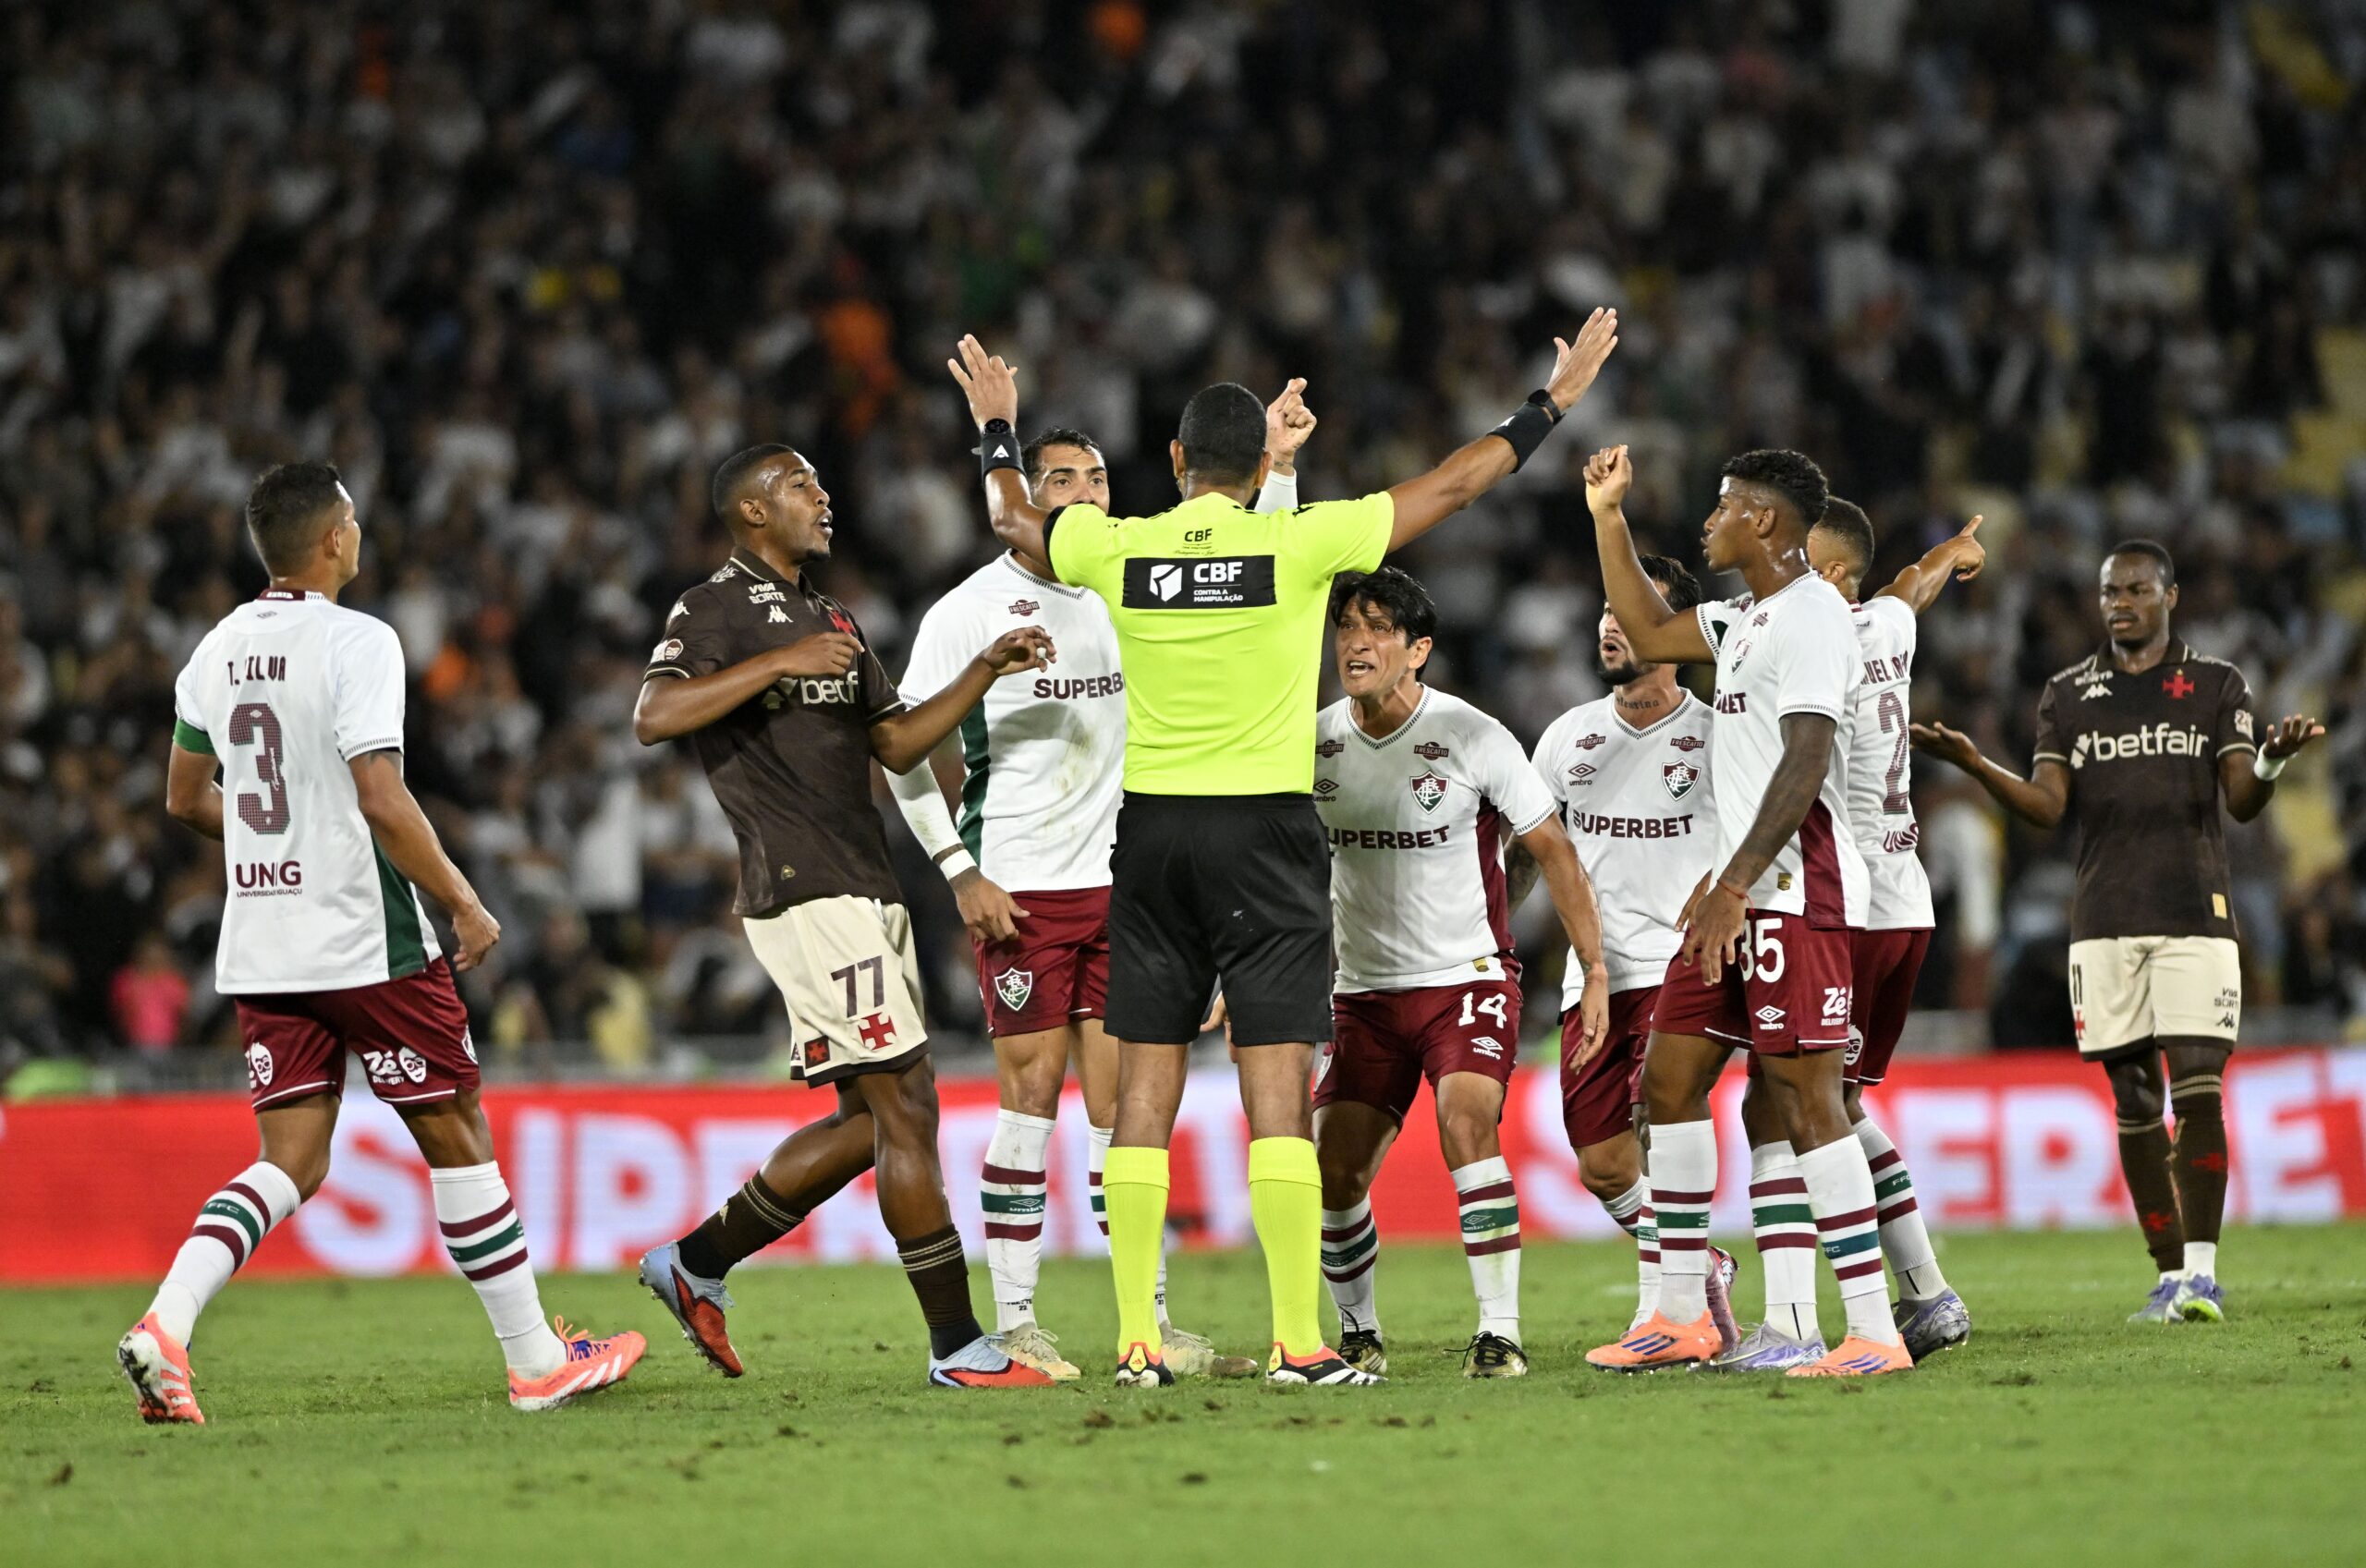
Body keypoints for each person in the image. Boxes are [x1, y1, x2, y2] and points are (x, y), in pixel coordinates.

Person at [947, 309, 1621, 1387]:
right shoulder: (1297, 540)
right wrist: (1550, 403)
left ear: (1171, 462)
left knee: (1138, 1101)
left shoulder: (1118, 546)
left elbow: (1013, 518)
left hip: (1153, 834)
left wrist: (994, 427)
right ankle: (1300, 1341)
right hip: (1264, 833)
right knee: (1274, 1093)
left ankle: (1132, 1339)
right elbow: (1453, 485)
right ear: (1262, 463)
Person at [123, 461, 645, 1423]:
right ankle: (535, 1360)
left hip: (264, 939)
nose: (361, 534)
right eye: (354, 520)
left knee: (291, 1158)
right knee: (455, 1129)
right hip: (368, 937)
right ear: (332, 539)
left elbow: (186, 798)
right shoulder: (360, 640)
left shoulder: (215, 648)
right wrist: (462, 899)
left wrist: (280, 846)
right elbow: (381, 794)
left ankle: (165, 1323)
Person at [884, 404, 1312, 1381]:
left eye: (1098, 481)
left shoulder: (1135, 586)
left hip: (1132, 888)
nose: (1084, 496)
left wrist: (1279, 469)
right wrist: (958, 868)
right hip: (1022, 888)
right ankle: (1018, 1320)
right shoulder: (965, 612)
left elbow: (1267, 577)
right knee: (1030, 1101)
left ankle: (1148, 1322)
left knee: (1126, 1115)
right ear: (1028, 496)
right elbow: (903, 754)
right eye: (1064, 481)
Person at [633, 444, 1058, 1390]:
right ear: (750, 509)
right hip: (801, 883)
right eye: (800, 485)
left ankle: (695, 1259)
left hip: (865, 881)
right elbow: (655, 715)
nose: (824, 497)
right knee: (908, 1100)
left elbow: (898, 740)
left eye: (823, 482)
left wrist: (985, 668)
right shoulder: (714, 608)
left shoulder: (832, 618)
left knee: (874, 1118)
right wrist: (779, 660)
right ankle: (957, 1346)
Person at [1912, 540, 2324, 1323]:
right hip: (2102, 919)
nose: (2120, 602)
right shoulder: (2069, 694)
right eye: (2110, 591)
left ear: (2170, 596)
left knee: (2199, 1082)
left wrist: (2269, 762)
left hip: (2194, 914)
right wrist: (1974, 763)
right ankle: (2168, 1276)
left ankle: (2202, 1272)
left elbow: (2240, 799)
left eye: (2136, 589)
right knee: (2133, 1094)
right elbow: (2046, 805)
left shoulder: (2215, 685)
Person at [1578, 444, 1912, 1378]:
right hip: (1733, 891)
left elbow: (1806, 757)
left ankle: (1874, 1329)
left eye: (1723, 506)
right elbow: (1644, 625)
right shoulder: (1743, 618)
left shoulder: (1810, 618)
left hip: (1790, 887)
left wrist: (1733, 881)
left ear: (1763, 520)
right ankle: (1683, 1313)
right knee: (1668, 1082)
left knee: (1807, 1102)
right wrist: (1607, 517)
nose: (1708, 521)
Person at [1297, 565, 1612, 1379]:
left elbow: (1554, 850)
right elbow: (1278, 867)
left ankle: (1499, 1332)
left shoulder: (1472, 735)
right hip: (1361, 990)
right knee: (1334, 1170)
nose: (1355, 643)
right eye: (1346, 628)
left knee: (1467, 1124)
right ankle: (1358, 1330)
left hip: (1465, 976)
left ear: (1418, 649)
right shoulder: (1316, 741)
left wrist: (1597, 971)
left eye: (1375, 629)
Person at [1722, 500, 1985, 1368]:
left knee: (1786, 1100)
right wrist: (1956, 546)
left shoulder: (1816, 631)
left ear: (1830, 575)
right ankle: (1924, 1291)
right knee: (1838, 1101)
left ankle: (1804, 1319)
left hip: (1846, 901)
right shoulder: (1890, 624)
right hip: (1908, 905)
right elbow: (1916, 581)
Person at [1512, 553, 1737, 1342]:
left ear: (1675, 631)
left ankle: (1661, 1312)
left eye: (1631, 610)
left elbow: (1764, 830)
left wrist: (1720, 888)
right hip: (1593, 977)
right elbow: (1528, 855)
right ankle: (1698, 1264)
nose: (1612, 622)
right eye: (1606, 610)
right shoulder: (1566, 738)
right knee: (1604, 1163)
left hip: (1681, 968)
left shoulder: (1716, 735)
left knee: (1659, 1120)